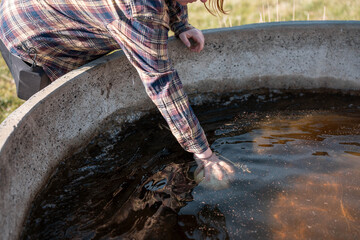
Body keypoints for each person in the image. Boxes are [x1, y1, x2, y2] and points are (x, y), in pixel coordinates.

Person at [0, 0, 233, 183]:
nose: (204, 0)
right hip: (26, 28)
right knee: (53, 118)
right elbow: (162, 84)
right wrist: (203, 153)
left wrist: (180, 23)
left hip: (53, 10)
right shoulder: (139, 11)